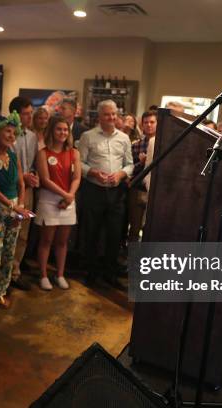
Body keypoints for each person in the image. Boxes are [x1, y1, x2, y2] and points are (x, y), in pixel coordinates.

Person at [0, 112, 33, 316]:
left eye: (13, 132)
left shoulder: (13, 156)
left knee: (9, 255)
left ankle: (1, 292)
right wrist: (13, 207)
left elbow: (21, 183)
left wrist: (20, 203)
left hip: (14, 210)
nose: (11, 135)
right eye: (7, 131)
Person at [78, 99, 134, 288]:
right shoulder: (88, 136)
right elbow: (79, 163)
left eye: (114, 114)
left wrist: (121, 174)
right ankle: (91, 272)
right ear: (99, 116)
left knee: (114, 234)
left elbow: (130, 164)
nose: (111, 117)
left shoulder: (124, 138)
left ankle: (109, 273)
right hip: (93, 190)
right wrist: (93, 172)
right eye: (107, 114)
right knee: (91, 233)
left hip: (116, 193)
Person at [35, 116, 81, 290]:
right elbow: (45, 180)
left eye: (65, 129)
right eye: (58, 129)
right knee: (46, 240)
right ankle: (43, 275)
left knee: (62, 241)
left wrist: (69, 196)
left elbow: (77, 177)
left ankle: (60, 274)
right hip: (49, 199)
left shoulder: (74, 152)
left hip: (68, 199)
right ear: (51, 131)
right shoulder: (43, 153)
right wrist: (65, 195)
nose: (62, 133)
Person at [10, 96, 39, 291]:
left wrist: (34, 175)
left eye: (31, 113)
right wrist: (23, 177)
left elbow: (33, 162)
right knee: (11, 231)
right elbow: (7, 162)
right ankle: (4, 273)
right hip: (11, 189)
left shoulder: (32, 136)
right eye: (26, 114)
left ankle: (15, 272)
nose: (30, 117)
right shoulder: (8, 133)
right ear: (16, 114)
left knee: (23, 234)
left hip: (27, 190)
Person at [128, 111, 157, 243]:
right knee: (134, 227)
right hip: (138, 189)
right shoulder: (136, 145)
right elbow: (129, 168)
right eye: (146, 122)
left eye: (152, 122)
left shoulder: (161, 144)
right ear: (142, 124)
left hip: (155, 191)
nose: (149, 125)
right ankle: (132, 259)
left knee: (151, 228)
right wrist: (141, 163)